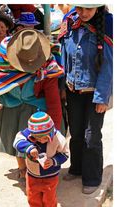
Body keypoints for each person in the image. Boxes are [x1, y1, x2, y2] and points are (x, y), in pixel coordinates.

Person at [0, 28, 64, 182]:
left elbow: (53, 101)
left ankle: (33, 168)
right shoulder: (2, 57)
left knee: (36, 136)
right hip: (10, 105)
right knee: (15, 134)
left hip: (35, 105)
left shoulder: (48, 67)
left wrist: (54, 132)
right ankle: (21, 167)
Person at [58, 4, 113, 194]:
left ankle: (92, 177)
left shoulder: (107, 25)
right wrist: (62, 86)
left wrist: (102, 98)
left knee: (92, 136)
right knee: (76, 132)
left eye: (88, 9)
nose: (83, 13)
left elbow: (107, 66)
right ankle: (77, 168)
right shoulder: (70, 23)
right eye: (80, 8)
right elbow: (64, 56)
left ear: (97, 8)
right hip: (73, 90)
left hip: (94, 92)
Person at [13, 111, 68, 207]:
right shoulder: (27, 134)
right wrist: (29, 147)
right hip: (32, 173)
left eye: (45, 138)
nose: (42, 141)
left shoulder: (58, 137)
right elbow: (17, 141)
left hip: (51, 175)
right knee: (32, 193)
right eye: (38, 138)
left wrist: (53, 161)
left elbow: (65, 154)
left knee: (49, 197)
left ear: (51, 132)